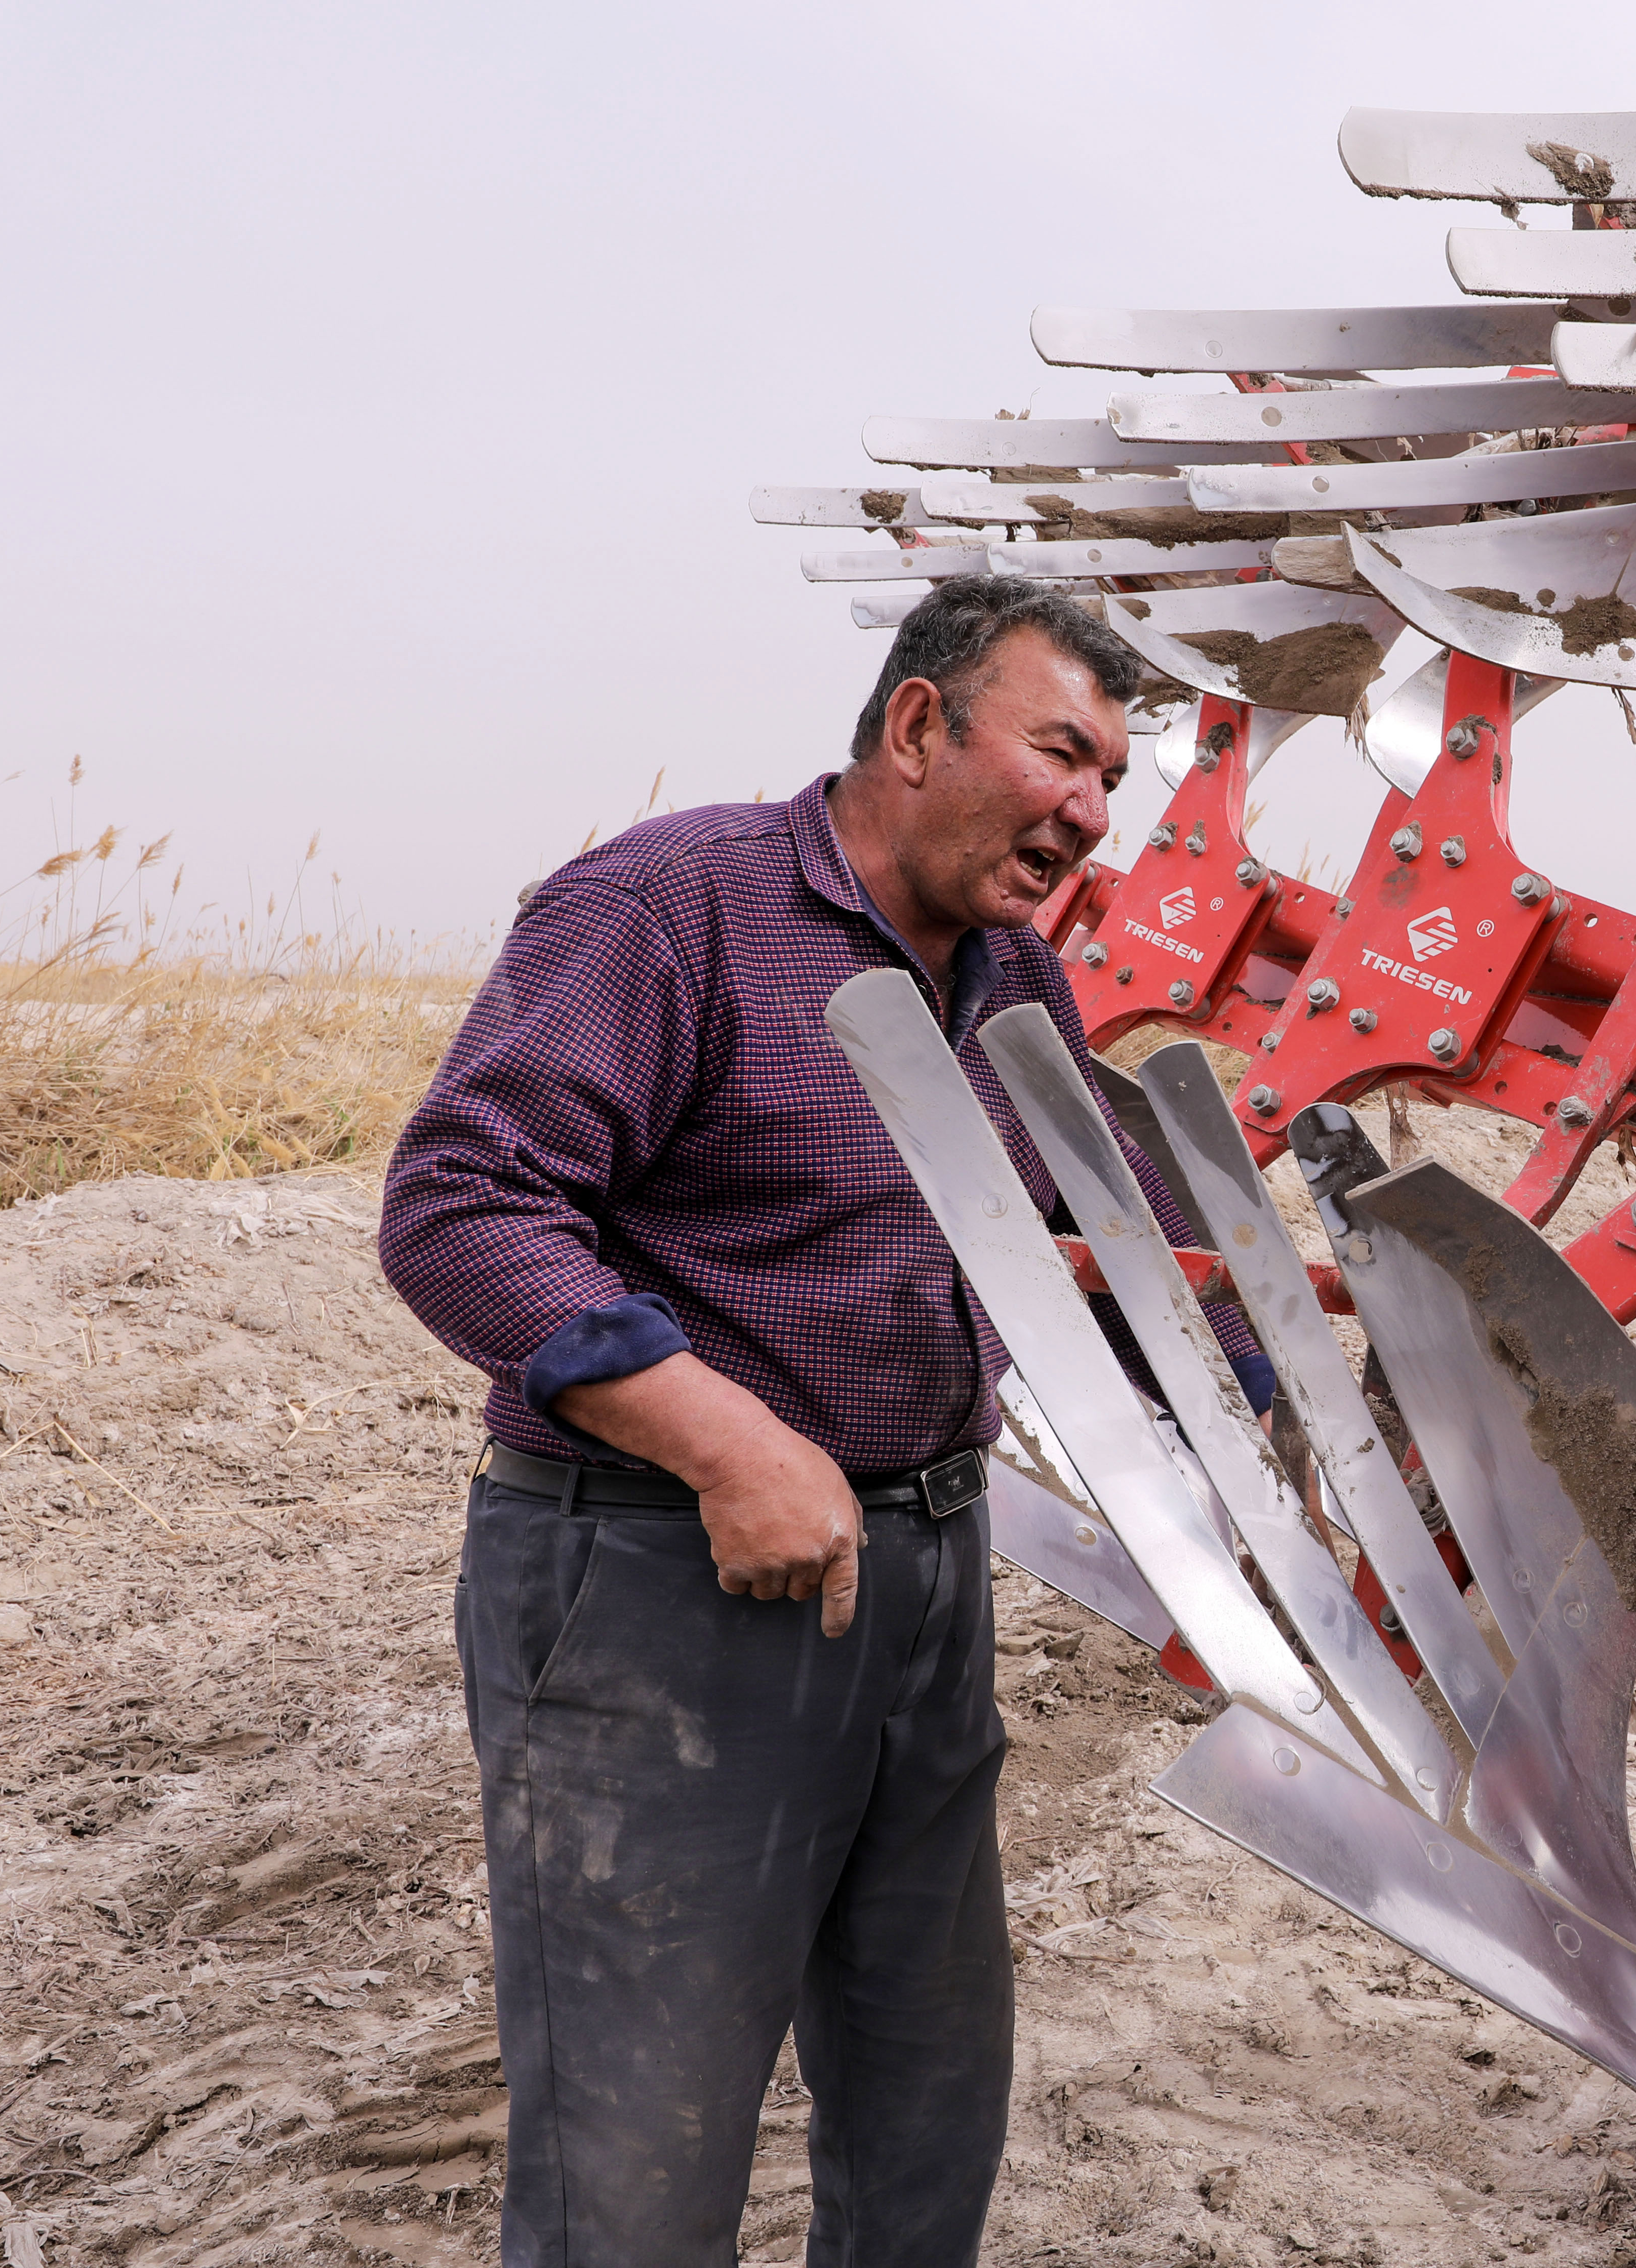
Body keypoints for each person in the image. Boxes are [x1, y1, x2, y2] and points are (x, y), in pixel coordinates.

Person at [379, 575, 1269, 2267]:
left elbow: (1101, 1229)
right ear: (921, 724)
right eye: (1062, 756)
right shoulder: (672, 906)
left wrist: (1276, 1417)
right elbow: (458, 1205)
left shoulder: (1010, 969)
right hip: (664, 1592)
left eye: (1111, 786)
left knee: (928, 2111)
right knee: (641, 2160)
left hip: (923, 1582)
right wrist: (727, 1441)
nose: (1089, 814)